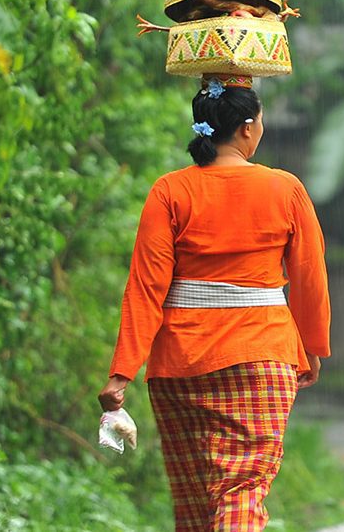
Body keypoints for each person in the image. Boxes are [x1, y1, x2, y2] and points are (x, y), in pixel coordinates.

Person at [97, 74, 331, 532]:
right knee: (241, 492)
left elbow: (145, 287)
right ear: (247, 128)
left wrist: (121, 372)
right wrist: (312, 346)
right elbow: (310, 277)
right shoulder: (285, 189)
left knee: (196, 504)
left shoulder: (170, 191)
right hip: (261, 358)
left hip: (179, 366)